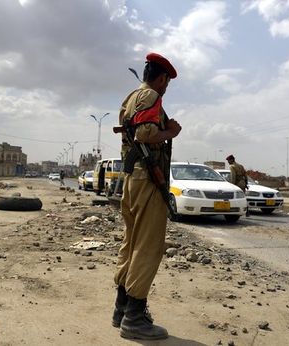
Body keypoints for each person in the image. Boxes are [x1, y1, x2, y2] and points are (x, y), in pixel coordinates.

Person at [112, 52, 181, 340]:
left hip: (132, 179)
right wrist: (170, 131)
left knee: (132, 242)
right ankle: (135, 318)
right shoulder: (151, 96)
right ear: (161, 77)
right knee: (148, 245)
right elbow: (145, 133)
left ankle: (122, 308)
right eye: (166, 81)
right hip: (146, 178)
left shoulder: (130, 97)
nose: (166, 87)